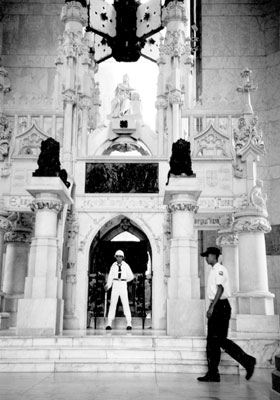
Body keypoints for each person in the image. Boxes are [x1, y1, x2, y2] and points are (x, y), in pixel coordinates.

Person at [198, 246, 256, 382]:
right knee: (212, 341)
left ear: (214, 256)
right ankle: (213, 373)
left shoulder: (220, 270)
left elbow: (220, 288)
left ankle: (248, 361)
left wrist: (212, 307)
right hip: (217, 305)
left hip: (221, 307)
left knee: (219, 340)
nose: (206, 258)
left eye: (207, 255)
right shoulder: (213, 270)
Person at [104, 249, 134, 330]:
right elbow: (110, 277)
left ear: (123, 257)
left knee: (125, 303)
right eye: (117, 256)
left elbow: (131, 276)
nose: (119, 258)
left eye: (120, 257)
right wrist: (108, 285)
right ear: (115, 257)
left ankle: (129, 323)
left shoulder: (126, 266)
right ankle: (109, 323)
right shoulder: (113, 266)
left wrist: (124, 280)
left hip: (123, 285)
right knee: (113, 304)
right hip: (115, 284)